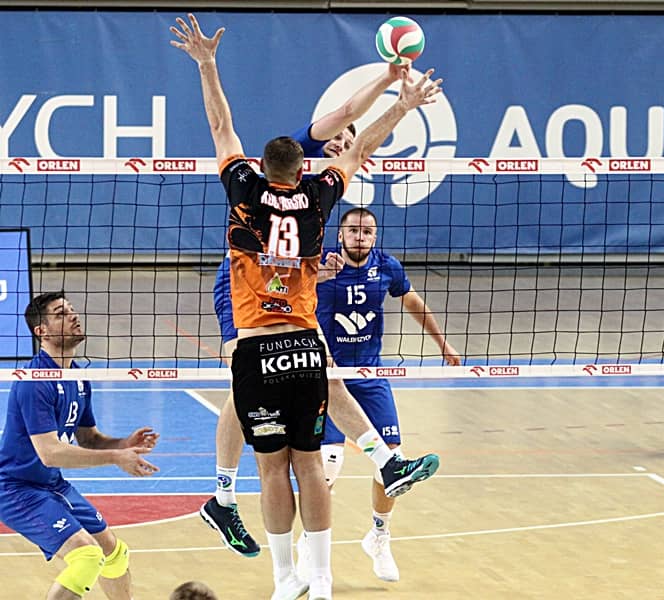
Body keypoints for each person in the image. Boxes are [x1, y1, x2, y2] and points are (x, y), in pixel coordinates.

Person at [171, 14, 443, 600]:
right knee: (310, 458)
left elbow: (221, 124)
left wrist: (207, 64)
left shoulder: (243, 185)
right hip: (297, 332)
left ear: (262, 165)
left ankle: (278, 564)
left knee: (275, 462)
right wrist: (402, 100)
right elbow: (359, 139)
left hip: (257, 332)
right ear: (304, 164)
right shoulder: (320, 196)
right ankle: (313, 563)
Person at [201, 61, 412, 560]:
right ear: (308, 156)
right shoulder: (306, 163)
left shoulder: (310, 190)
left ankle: (384, 461)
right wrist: (392, 87)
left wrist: (314, 273)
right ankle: (223, 496)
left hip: (289, 295)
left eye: (346, 140)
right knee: (244, 383)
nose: (342, 143)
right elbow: (347, 114)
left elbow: (354, 133)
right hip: (244, 287)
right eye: (338, 138)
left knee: (324, 372)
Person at [306, 207, 461, 582]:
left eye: (367, 232)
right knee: (327, 464)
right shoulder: (321, 266)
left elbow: (414, 302)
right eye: (353, 231)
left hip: (371, 378)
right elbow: (296, 303)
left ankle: (378, 536)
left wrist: (442, 344)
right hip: (328, 378)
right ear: (340, 235)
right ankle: (309, 545)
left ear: (374, 237)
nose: (359, 237)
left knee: (391, 461)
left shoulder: (386, 266)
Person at [0, 292, 160, 600]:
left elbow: (89, 439)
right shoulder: (35, 380)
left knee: (113, 552)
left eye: (72, 310)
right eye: (61, 314)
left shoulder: (77, 377)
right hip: (16, 490)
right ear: (42, 331)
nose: (73, 316)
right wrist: (116, 457)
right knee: (86, 556)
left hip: (52, 485)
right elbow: (50, 453)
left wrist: (124, 443)